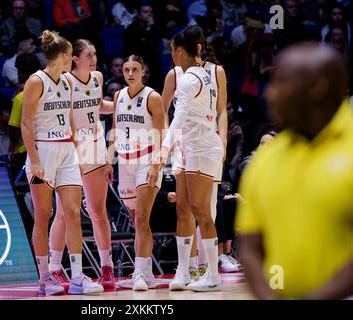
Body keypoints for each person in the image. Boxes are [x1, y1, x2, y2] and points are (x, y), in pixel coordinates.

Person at [236, 43, 353, 300]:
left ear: (317, 87)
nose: (270, 94)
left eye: (281, 82)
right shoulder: (266, 157)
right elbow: (250, 246)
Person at [21, 30, 103, 295]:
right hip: (43, 152)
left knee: (73, 214)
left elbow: (70, 119)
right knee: (43, 215)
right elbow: (25, 124)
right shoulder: (36, 81)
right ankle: (45, 276)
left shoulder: (67, 82)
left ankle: (77, 276)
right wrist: (34, 160)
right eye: (72, 55)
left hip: (67, 149)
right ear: (66, 56)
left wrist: (76, 152)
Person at [159, 25, 227, 292]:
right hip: (189, 146)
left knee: (202, 211)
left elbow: (179, 115)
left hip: (200, 146)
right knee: (184, 207)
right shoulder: (200, 73)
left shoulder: (191, 78)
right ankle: (184, 270)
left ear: (178, 50)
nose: (172, 55)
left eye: (173, 50)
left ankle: (212, 274)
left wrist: (162, 149)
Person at [48, 39, 116, 288]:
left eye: (95, 53)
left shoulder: (97, 77)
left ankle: (107, 267)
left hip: (95, 146)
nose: (93, 58)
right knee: (65, 213)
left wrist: (123, 105)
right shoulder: (65, 81)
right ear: (75, 58)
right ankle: (55, 268)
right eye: (88, 54)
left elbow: (100, 107)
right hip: (72, 148)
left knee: (98, 212)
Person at [107, 54, 165, 291]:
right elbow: (115, 130)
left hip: (147, 160)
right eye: (126, 69)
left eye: (134, 69)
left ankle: (139, 273)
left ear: (144, 72)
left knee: (141, 218)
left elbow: (163, 133)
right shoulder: (118, 95)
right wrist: (109, 160)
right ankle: (147, 272)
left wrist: (156, 164)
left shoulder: (153, 97)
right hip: (125, 162)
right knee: (137, 222)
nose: (129, 73)